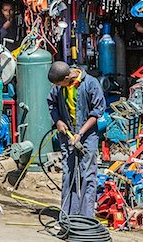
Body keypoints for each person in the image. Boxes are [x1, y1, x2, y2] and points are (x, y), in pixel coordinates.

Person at [47, 61, 106, 217]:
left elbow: (97, 112)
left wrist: (80, 133)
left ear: (68, 77)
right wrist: (58, 121)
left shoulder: (90, 84)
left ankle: (86, 218)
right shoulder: (60, 87)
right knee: (69, 173)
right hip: (67, 133)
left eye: (60, 84)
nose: (59, 87)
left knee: (87, 175)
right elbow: (51, 103)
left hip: (87, 135)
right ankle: (68, 215)